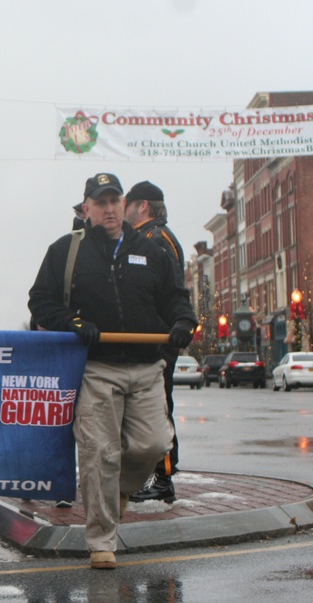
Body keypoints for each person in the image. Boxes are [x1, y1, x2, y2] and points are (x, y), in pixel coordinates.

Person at [28, 172, 196, 570]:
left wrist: (183, 322)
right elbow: (41, 301)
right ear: (86, 208)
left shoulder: (152, 252)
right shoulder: (66, 251)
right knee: (99, 454)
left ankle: (119, 489)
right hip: (97, 368)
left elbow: (176, 298)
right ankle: (101, 541)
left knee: (154, 444)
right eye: (99, 202)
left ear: (125, 205)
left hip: (146, 365)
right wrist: (72, 323)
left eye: (114, 201)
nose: (108, 209)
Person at [124, 180, 186, 504]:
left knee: (159, 408)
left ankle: (164, 479)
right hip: (156, 336)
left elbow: (171, 292)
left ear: (143, 205)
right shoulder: (150, 237)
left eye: (127, 204)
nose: (123, 210)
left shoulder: (157, 239)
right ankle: (158, 476)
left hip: (160, 338)